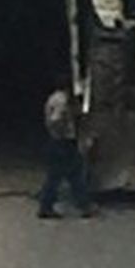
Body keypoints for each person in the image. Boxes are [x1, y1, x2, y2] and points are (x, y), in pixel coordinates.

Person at [38, 79, 93, 220]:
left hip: (59, 140)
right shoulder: (62, 100)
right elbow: (56, 119)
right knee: (60, 175)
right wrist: (63, 134)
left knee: (71, 174)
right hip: (62, 142)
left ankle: (84, 205)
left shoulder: (55, 98)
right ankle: (47, 206)